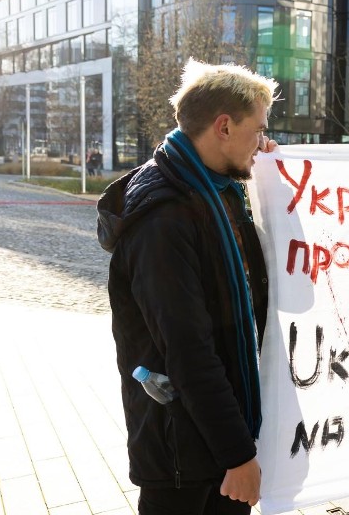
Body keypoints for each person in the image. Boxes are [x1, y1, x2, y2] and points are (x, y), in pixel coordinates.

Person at [97, 59, 278, 514]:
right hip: (182, 453)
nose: (262, 142)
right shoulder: (163, 217)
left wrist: (276, 190)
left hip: (219, 433)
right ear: (223, 126)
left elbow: (270, 293)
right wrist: (237, 454)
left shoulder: (224, 193)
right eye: (257, 130)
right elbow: (188, 349)